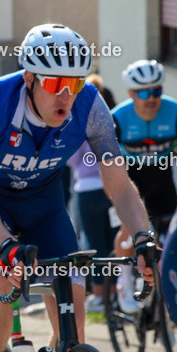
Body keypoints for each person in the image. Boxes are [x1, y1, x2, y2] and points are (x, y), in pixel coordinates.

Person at [0, 24, 155, 352]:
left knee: (74, 324)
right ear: (29, 78)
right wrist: (7, 244)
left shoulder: (90, 105)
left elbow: (119, 184)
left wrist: (143, 238)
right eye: (56, 83)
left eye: (76, 83)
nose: (67, 94)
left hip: (45, 207)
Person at [111, 59, 176, 312]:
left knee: (170, 236)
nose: (152, 98)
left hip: (162, 180)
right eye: (144, 92)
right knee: (129, 230)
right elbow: (111, 164)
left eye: (156, 90)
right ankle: (124, 280)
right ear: (131, 93)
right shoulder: (118, 117)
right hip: (131, 179)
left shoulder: (174, 111)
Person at [65, 74, 117, 313]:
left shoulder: (75, 124)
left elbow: (72, 160)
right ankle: (116, 292)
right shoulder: (109, 119)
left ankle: (98, 295)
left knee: (95, 244)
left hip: (87, 190)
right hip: (112, 189)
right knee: (114, 241)